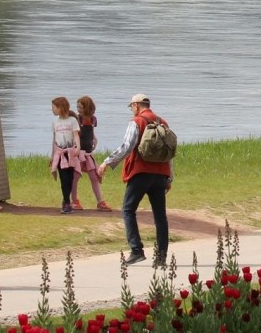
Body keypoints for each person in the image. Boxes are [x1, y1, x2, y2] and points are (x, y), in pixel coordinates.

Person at [97, 94, 173, 267]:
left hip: (140, 173)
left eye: (132, 107)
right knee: (160, 216)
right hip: (160, 175)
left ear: (137, 105)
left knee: (128, 210)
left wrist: (107, 162)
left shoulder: (136, 122)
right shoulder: (163, 122)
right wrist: (169, 178)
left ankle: (136, 251)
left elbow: (127, 146)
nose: (132, 110)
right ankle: (161, 256)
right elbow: (169, 153)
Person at [50, 96, 89, 214]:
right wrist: (52, 155)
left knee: (70, 178)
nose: (52, 110)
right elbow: (54, 139)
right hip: (59, 153)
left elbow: (76, 135)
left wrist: (78, 147)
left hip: (70, 153)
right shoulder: (55, 122)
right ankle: (66, 201)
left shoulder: (72, 121)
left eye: (54, 107)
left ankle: (67, 200)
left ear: (60, 108)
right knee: (63, 178)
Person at [73, 96, 111, 211]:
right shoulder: (76, 119)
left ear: (87, 107)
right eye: (77, 107)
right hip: (78, 153)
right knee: (75, 176)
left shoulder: (93, 119)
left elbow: (91, 131)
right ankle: (74, 201)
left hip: (88, 153)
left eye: (80, 107)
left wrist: (95, 139)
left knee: (94, 177)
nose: (78, 109)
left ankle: (100, 202)